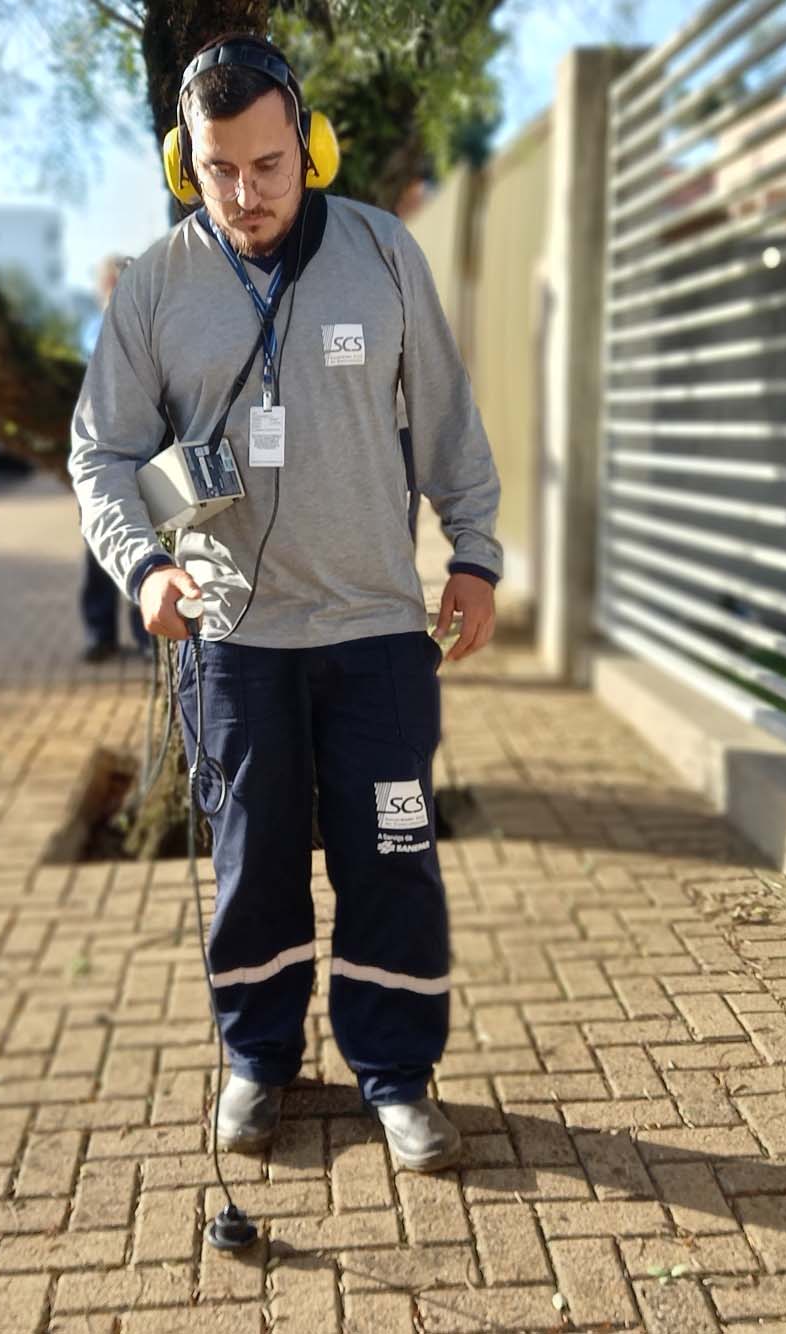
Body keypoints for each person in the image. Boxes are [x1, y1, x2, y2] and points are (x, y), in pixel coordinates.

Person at [69, 33, 500, 1172]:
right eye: (218, 169)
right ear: (183, 163)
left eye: (267, 164)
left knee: (390, 858)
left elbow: (448, 418)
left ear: (308, 147)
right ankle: (257, 1059)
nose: (245, 194)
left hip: (372, 633)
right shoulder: (158, 286)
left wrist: (475, 552)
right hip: (233, 641)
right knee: (252, 866)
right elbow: (99, 454)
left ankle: (396, 1073)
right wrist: (144, 567)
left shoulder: (379, 251)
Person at [76, 255, 153, 663]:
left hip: (148, 457)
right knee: (100, 550)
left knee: (147, 548)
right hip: (108, 457)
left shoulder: (149, 325)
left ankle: (145, 638)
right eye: (113, 287)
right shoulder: (96, 332)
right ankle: (99, 633)